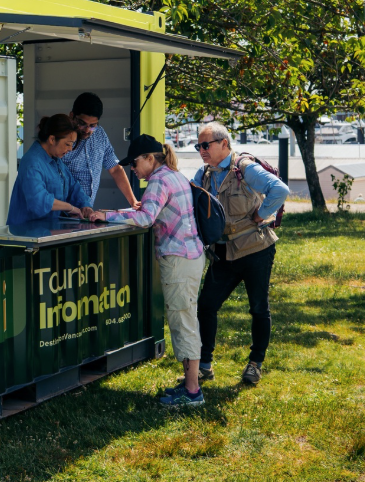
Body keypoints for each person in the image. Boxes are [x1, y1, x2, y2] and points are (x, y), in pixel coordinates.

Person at [96, 134, 206, 408]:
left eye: (134, 163)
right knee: (186, 318)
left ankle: (192, 392)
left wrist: (105, 215)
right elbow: (151, 211)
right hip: (190, 256)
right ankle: (190, 383)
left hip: (178, 260)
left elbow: (145, 218)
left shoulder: (158, 180)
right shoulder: (174, 175)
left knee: (182, 323)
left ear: (149, 158)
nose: (132, 169)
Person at [194, 122, 290, 386]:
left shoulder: (245, 168)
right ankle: (204, 366)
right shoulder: (203, 174)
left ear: (224, 144)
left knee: (258, 308)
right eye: (198, 146)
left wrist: (262, 214)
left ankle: (255, 364)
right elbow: (187, 197)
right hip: (222, 253)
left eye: (206, 145)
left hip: (255, 249)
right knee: (206, 306)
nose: (201, 150)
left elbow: (280, 190)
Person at [7, 114, 95, 224]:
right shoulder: (32, 162)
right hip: (26, 230)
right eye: (67, 144)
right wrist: (69, 208)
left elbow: (73, 187)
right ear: (52, 139)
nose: (70, 149)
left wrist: (85, 205)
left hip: (48, 229)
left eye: (72, 145)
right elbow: (38, 200)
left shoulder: (56, 161)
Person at [61, 93, 141, 210]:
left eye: (92, 125)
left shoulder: (100, 134)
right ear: (71, 116)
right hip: (62, 211)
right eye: (82, 124)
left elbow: (115, 169)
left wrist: (133, 201)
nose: (87, 130)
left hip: (86, 210)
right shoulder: (61, 138)